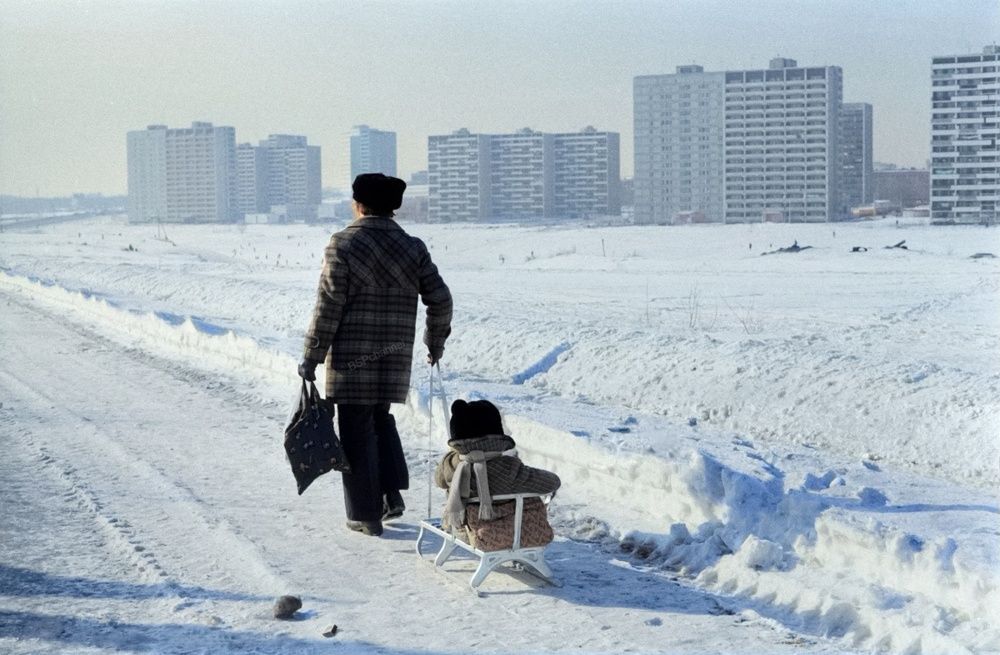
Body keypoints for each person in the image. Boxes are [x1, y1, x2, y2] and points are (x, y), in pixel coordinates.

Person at [299, 173, 452, 537]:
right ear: (392, 208)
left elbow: (328, 306)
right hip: (393, 358)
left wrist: (312, 355)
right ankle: (389, 496)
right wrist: (434, 342)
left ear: (359, 204)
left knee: (356, 431)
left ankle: (365, 515)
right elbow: (441, 299)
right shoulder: (413, 247)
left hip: (352, 359)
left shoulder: (343, 244)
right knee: (379, 420)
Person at [435, 399, 560, 551]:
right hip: (500, 535)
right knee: (528, 497)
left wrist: (452, 455)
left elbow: (439, 481)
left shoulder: (452, 463)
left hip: (461, 529)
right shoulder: (508, 467)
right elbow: (552, 482)